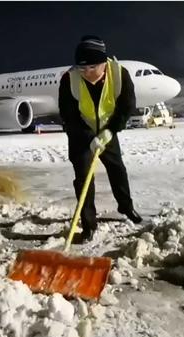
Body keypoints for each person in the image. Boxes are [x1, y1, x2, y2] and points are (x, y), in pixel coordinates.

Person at [59, 35, 142, 242]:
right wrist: (88, 137)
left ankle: (126, 207)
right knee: (84, 178)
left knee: (117, 169)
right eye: (82, 68)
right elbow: (68, 115)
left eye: (92, 68)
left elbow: (126, 107)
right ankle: (88, 225)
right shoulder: (69, 79)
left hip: (107, 130)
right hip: (81, 134)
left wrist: (110, 130)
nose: (86, 73)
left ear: (104, 63)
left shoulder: (120, 75)